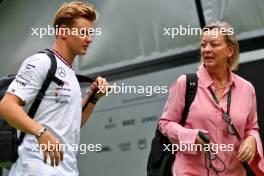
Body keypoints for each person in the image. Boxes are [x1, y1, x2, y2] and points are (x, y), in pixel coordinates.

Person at [0, 2, 109, 176]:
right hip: (35, 168)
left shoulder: (70, 74)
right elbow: (6, 105)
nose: (89, 39)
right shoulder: (41, 62)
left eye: (90, 33)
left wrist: (94, 97)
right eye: (83, 33)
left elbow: (73, 124)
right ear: (64, 32)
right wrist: (41, 132)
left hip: (65, 170)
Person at [158, 21, 264, 176]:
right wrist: (190, 136)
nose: (207, 49)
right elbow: (165, 123)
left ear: (230, 51)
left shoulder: (247, 89)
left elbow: (251, 128)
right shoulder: (185, 83)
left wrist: (252, 140)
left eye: (214, 44)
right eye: (203, 45)